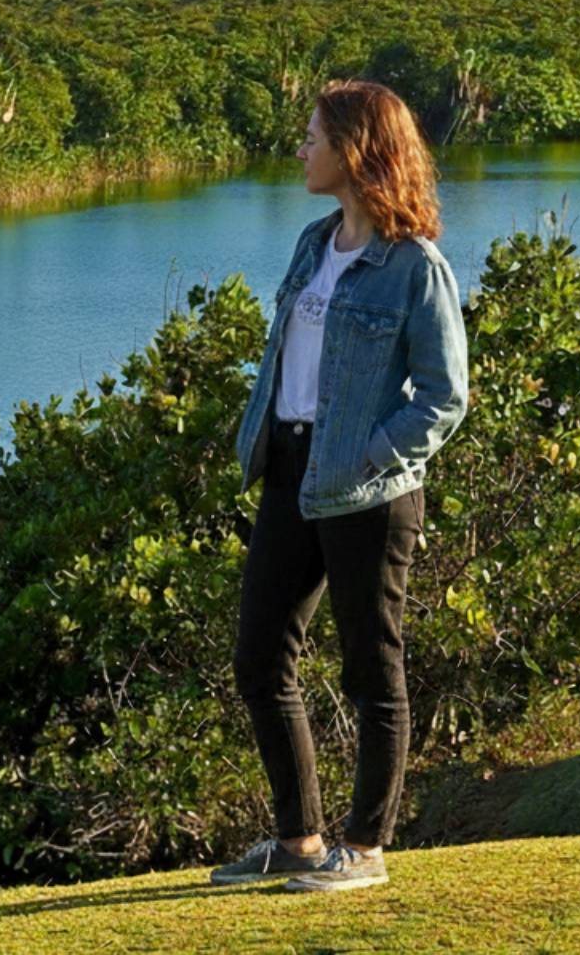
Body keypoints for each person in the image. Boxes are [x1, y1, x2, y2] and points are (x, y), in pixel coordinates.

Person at [212, 79, 469, 892]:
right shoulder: (313, 242)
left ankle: (367, 846)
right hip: (290, 472)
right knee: (260, 658)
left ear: (356, 150)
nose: (301, 148)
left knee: (371, 667)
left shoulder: (413, 267)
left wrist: (369, 453)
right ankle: (298, 841)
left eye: (313, 136)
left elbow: (444, 394)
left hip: (367, 490)